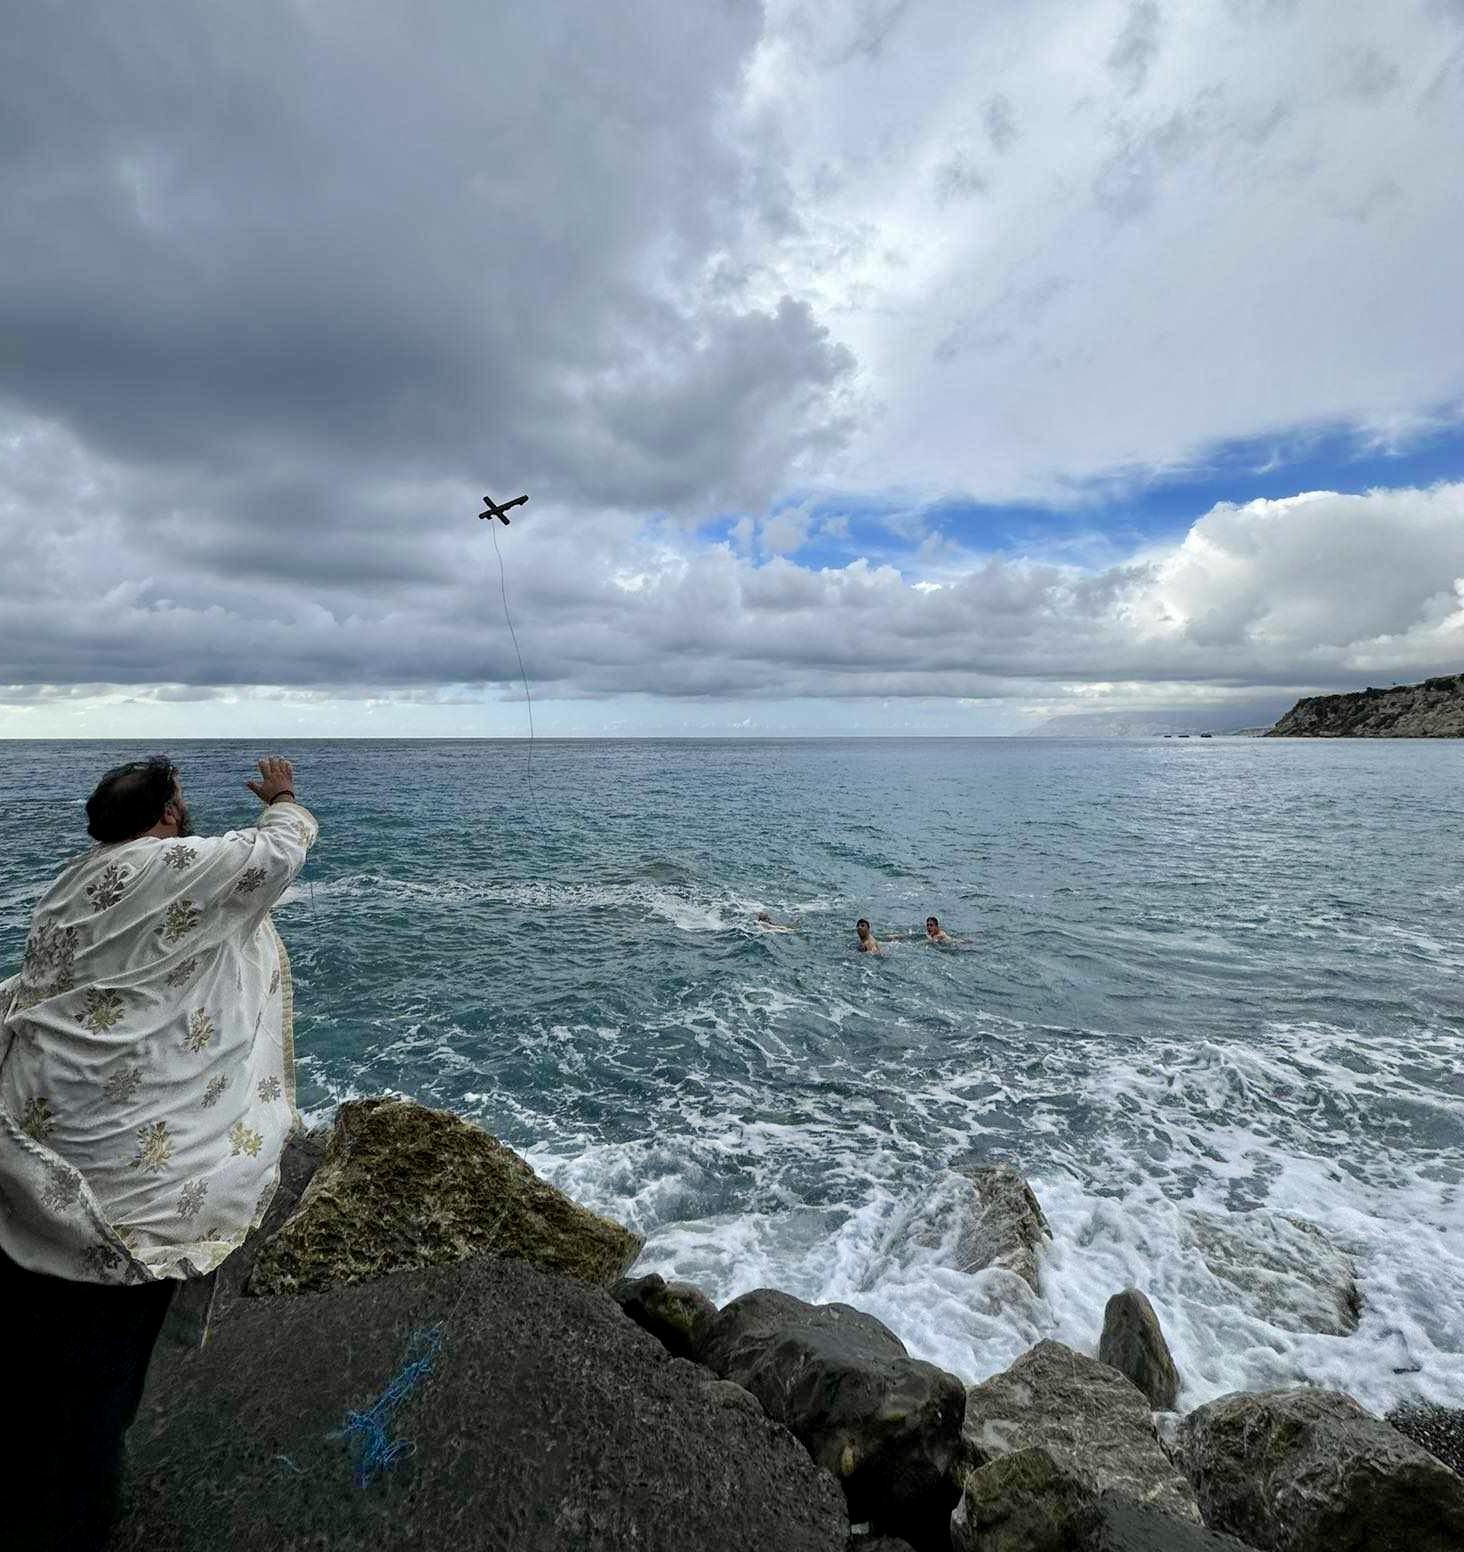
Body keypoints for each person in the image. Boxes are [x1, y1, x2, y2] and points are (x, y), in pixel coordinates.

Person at [0, 754, 318, 1550]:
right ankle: (71, 1521)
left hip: (42, 1138)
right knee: (101, 1371)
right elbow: (278, 853)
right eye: (181, 802)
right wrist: (281, 795)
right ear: (169, 813)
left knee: (45, 1354)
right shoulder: (176, 864)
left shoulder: (72, 883)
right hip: (127, 1187)